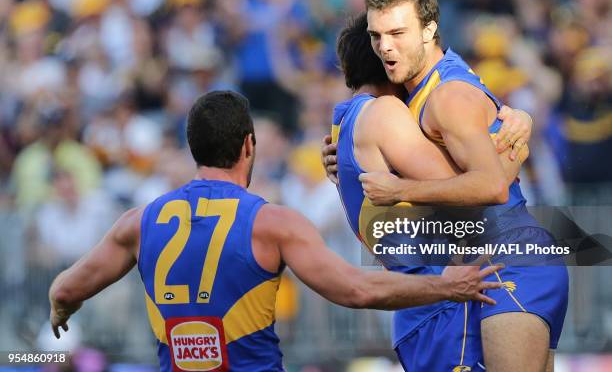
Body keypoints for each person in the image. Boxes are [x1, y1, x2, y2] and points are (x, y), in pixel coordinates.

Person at [49, 90, 504, 372]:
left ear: (193, 148)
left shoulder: (139, 223)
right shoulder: (272, 222)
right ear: (249, 145)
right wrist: (446, 286)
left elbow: (67, 288)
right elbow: (356, 290)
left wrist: (59, 311)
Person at [326, 0, 568, 372]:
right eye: (377, 35)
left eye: (397, 33)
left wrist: (400, 188)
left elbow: (492, 186)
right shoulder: (414, 92)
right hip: (490, 263)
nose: (385, 46)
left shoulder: (446, 96)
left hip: (507, 258)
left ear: (429, 30)